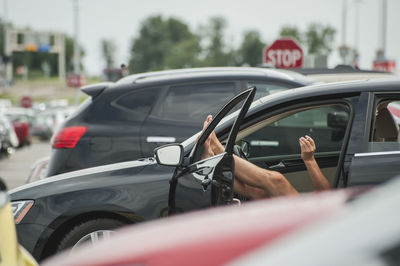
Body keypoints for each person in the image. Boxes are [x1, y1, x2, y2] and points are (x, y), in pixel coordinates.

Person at [201, 115, 331, 200]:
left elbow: (328, 197)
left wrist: (309, 160)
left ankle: (218, 150)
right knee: (260, 192)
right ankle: (213, 165)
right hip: (319, 217)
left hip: (320, 223)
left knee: (277, 181)